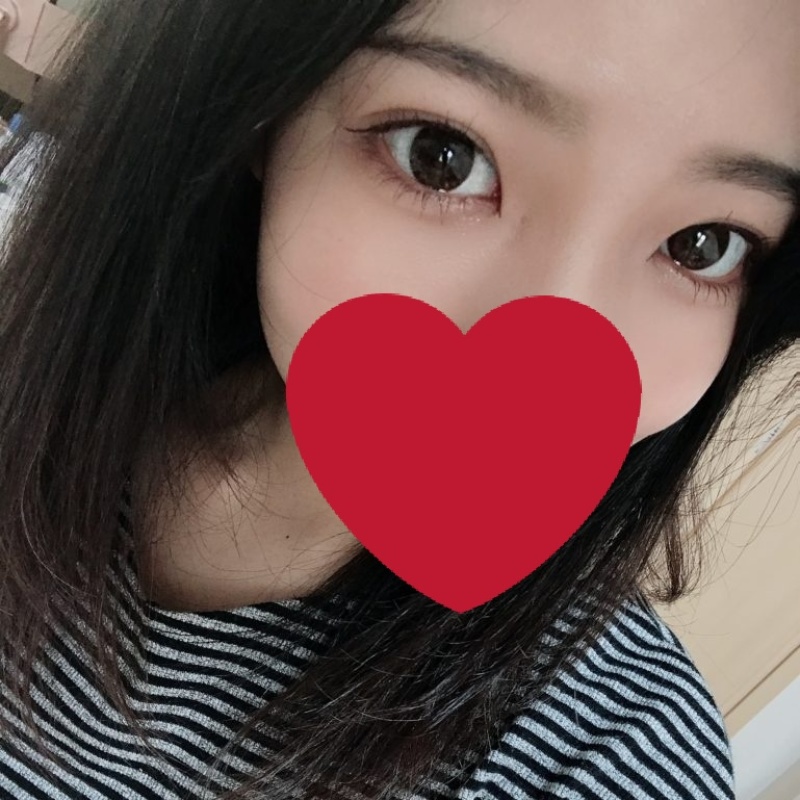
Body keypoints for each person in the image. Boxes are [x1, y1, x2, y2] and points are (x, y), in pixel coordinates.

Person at [0, 1, 797, 798]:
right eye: (443, 157)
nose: (547, 360)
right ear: (264, 109)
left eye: (702, 246)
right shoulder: (39, 386)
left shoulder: (610, 750)